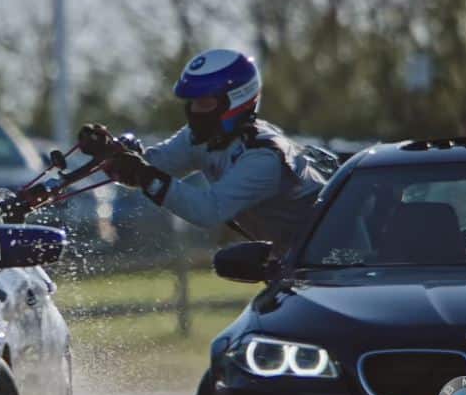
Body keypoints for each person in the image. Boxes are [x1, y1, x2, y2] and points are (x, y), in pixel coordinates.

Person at [94, 48, 330, 255]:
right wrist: (109, 153)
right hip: (298, 255)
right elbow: (155, 166)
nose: (195, 111)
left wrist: (143, 174)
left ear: (237, 101)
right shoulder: (202, 137)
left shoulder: (264, 157)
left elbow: (209, 211)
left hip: (335, 250)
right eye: (192, 102)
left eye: (205, 103)